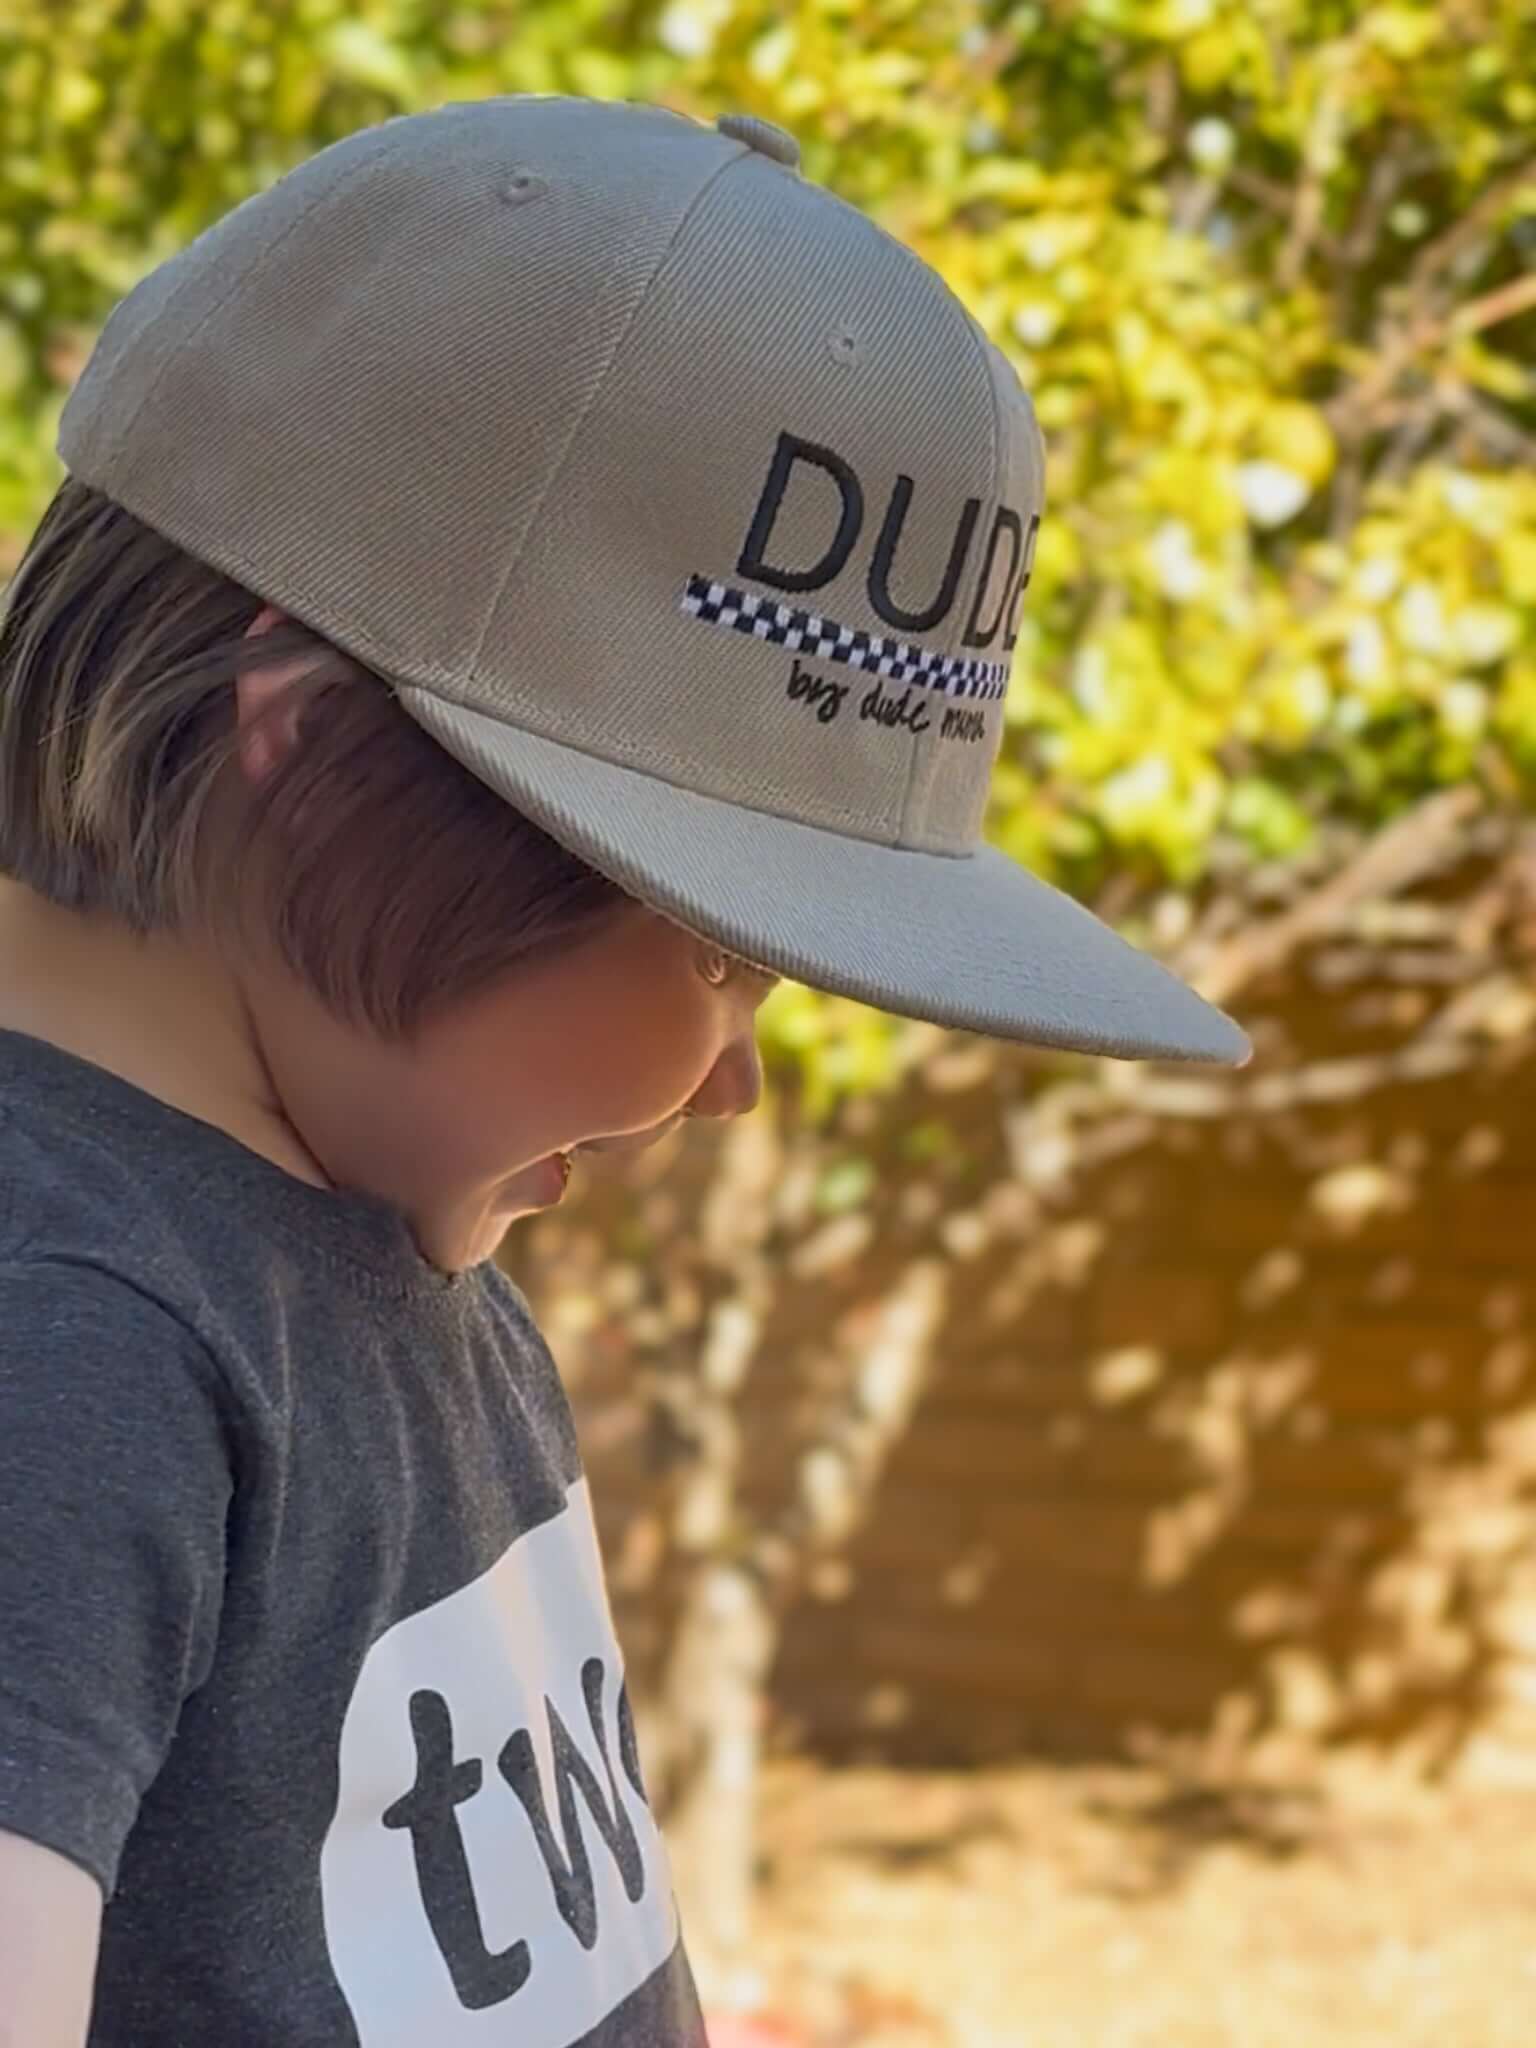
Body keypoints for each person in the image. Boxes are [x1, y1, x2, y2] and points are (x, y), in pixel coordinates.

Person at [0, 95, 1248, 2047]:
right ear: (309, 752)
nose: (734, 1084)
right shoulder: (70, 1333)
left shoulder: (357, 1229)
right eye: (725, 953)